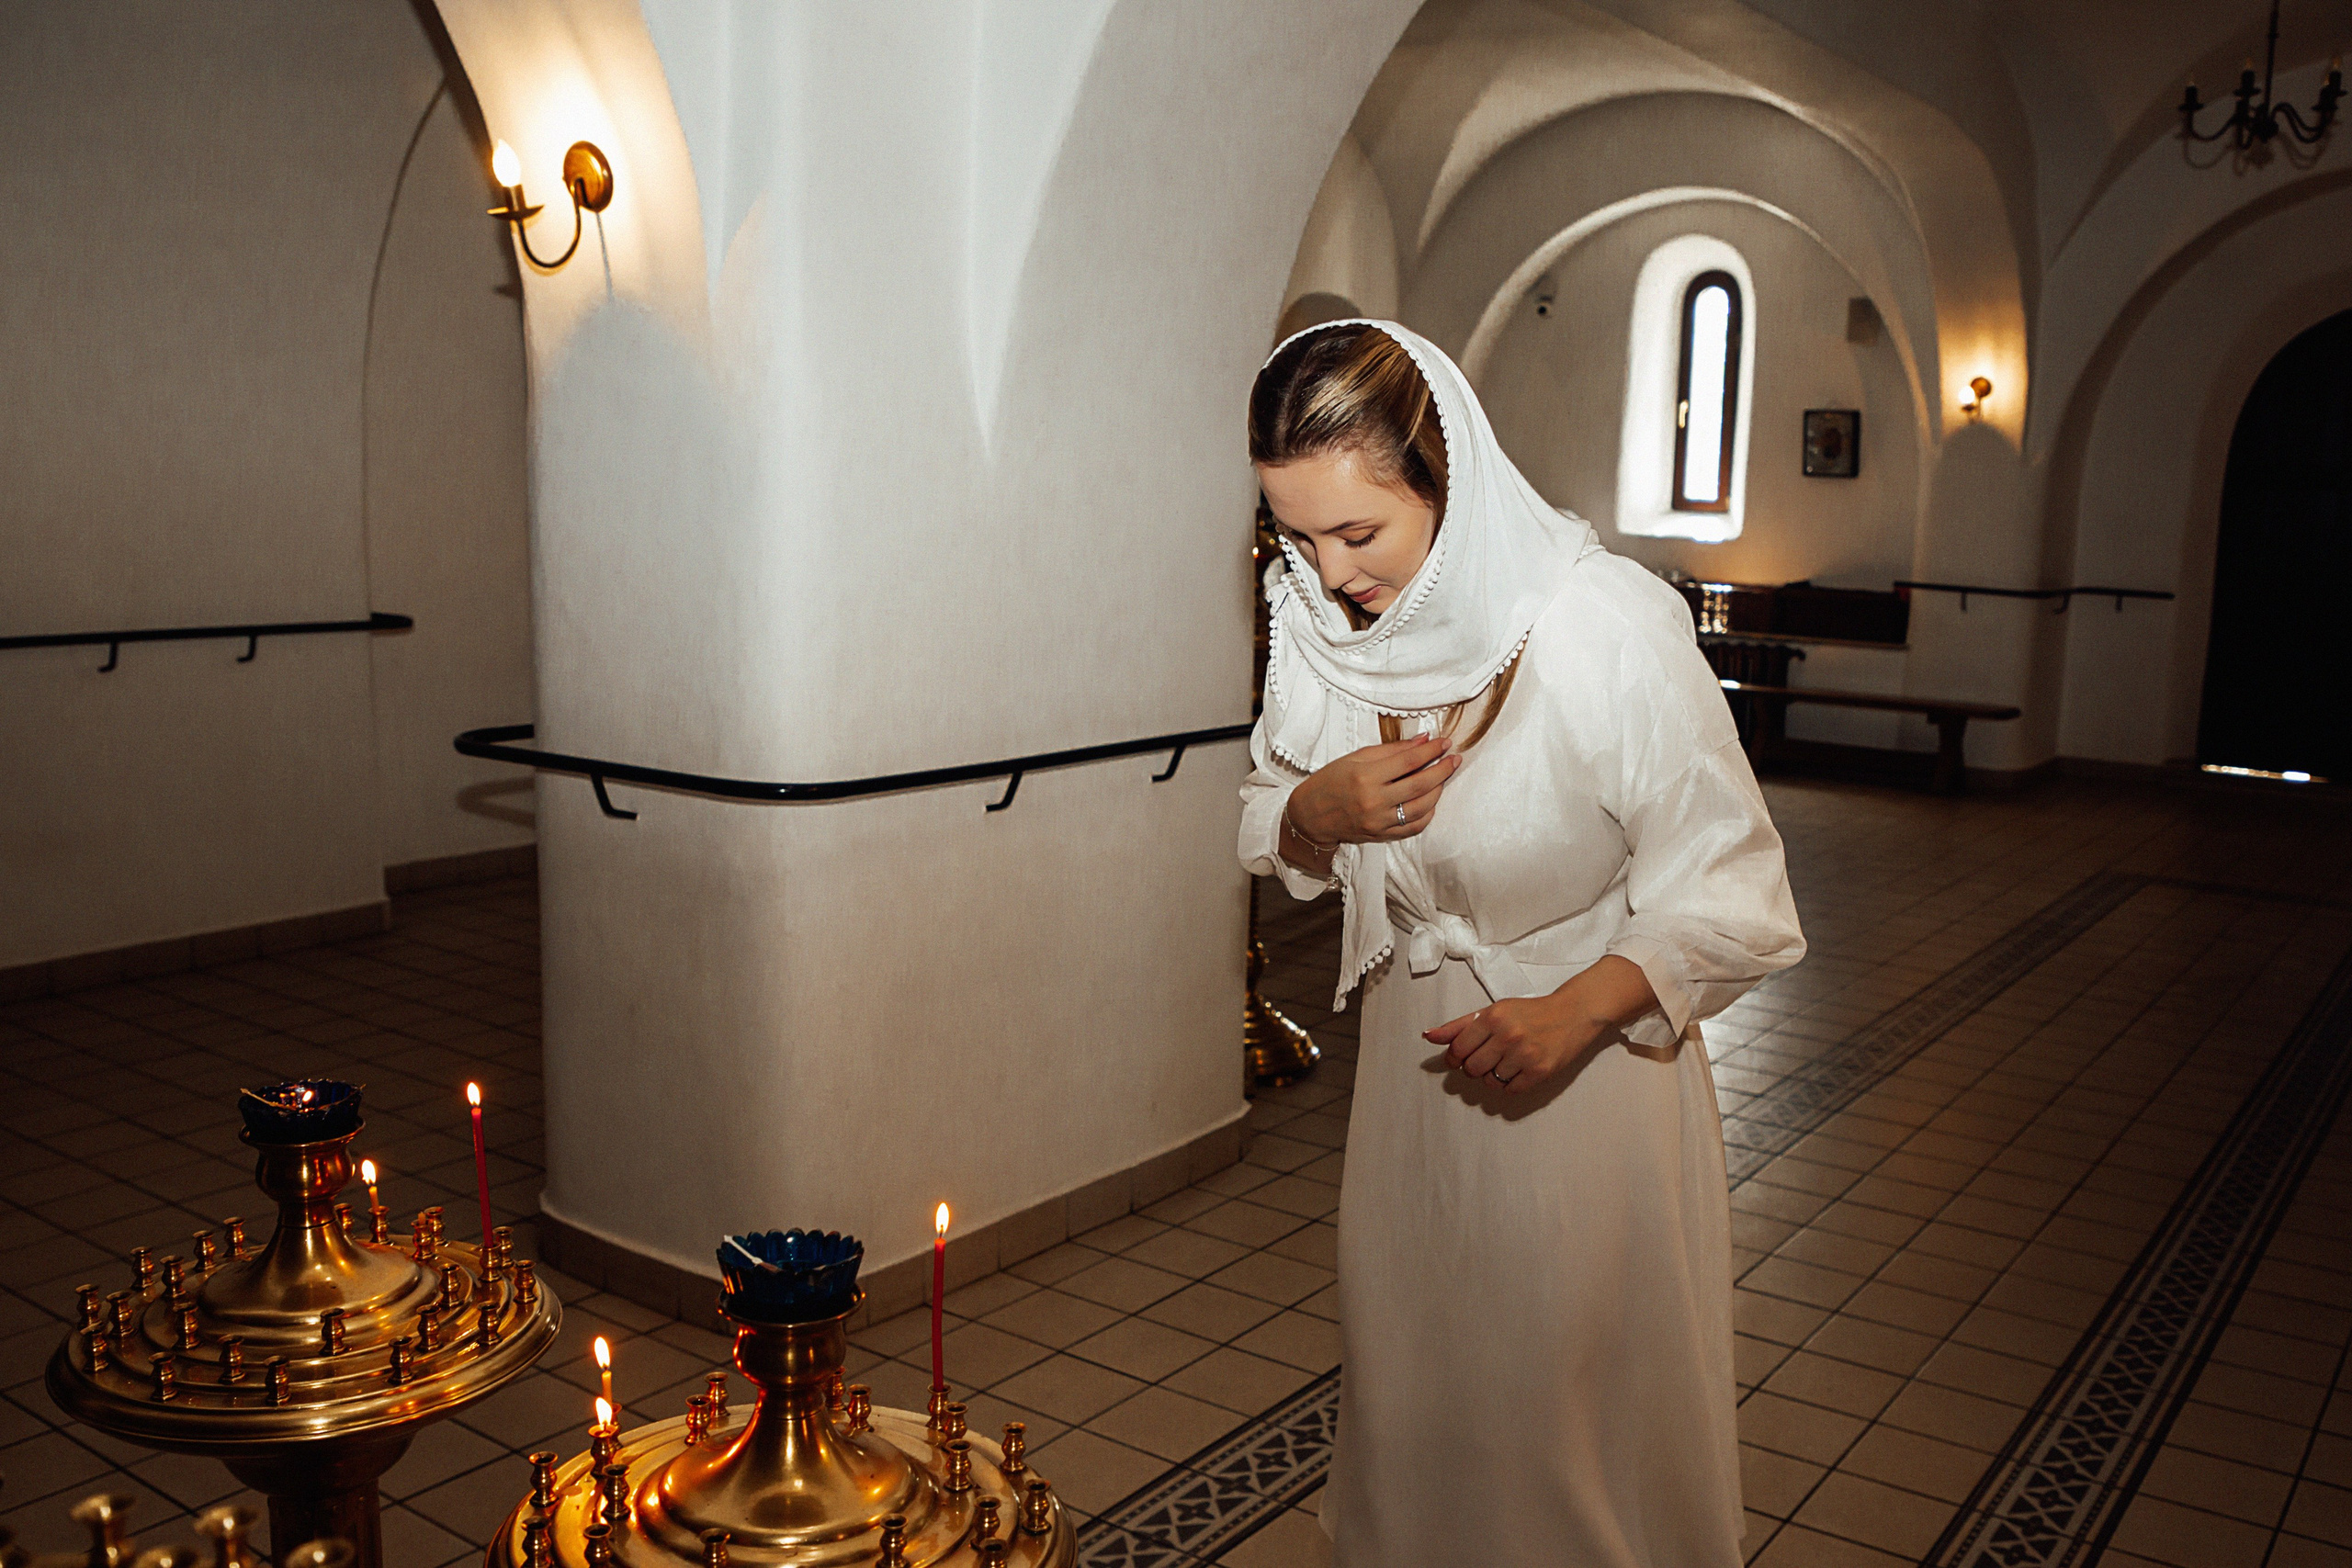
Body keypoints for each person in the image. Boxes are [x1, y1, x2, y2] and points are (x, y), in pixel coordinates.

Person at [1238, 321, 1804, 1567]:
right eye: (1295, 537)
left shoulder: (1603, 626)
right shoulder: (1328, 630)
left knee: (1557, 1411)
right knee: (1416, 1376)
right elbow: (1268, 819)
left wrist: (1576, 1012)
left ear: (1448, 481)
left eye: (1359, 533)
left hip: (1588, 1074)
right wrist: (1314, 814)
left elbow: (1735, 889)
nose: (1329, 573)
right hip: (1414, 1069)